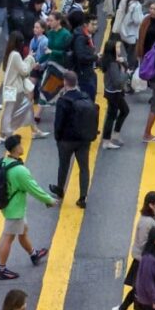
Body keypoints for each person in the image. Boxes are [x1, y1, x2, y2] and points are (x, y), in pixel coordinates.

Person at [0, 135, 55, 280]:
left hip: (9, 204)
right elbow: (33, 188)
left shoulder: (4, 162)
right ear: (16, 148)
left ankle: (33, 254)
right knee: (8, 237)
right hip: (15, 209)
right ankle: (1, 270)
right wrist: (49, 200)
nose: (23, 147)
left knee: (23, 231)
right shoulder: (19, 170)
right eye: (20, 145)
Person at [114, 192, 155, 310]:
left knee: (139, 287)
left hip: (150, 256)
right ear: (151, 205)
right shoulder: (146, 222)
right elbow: (143, 243)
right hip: (143, 259)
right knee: (140, 287)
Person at [49, 71, 95, 209]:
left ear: (65, 82)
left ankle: (60, 190)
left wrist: (57, 137)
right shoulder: (85, 97)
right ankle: (82, 197)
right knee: (84, 168)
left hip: (66, 140)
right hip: (84, 139)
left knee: (63, 165)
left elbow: (58, 122)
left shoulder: (63, 101)